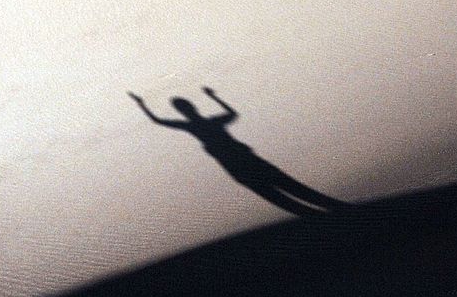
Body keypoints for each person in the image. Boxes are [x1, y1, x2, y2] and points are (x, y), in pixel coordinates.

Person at [129, 87, 343, 216]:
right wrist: (213, 97)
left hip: (238, 163)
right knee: (285, 186)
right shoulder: (209, 122)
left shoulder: (196, 126)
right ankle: (333, 209)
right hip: (243, 160)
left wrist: (142, 105)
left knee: (279, 192)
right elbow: (232, 113)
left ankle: (326, 211)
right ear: (191, 108)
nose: (186, 110)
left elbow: (158, 120)